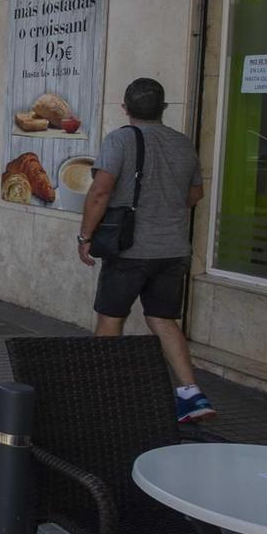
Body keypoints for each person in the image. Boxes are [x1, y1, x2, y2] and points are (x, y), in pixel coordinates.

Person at [77, 77, 215, 423]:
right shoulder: (184, 144)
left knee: (111, 319)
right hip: (172, 251)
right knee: (163, 319)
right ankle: (191, 394)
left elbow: (100, 192)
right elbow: (194, 196)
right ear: (163, 108)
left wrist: (84, 236)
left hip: (131, 251)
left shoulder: (120, 140)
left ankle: (99, 393)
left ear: (125, 108)